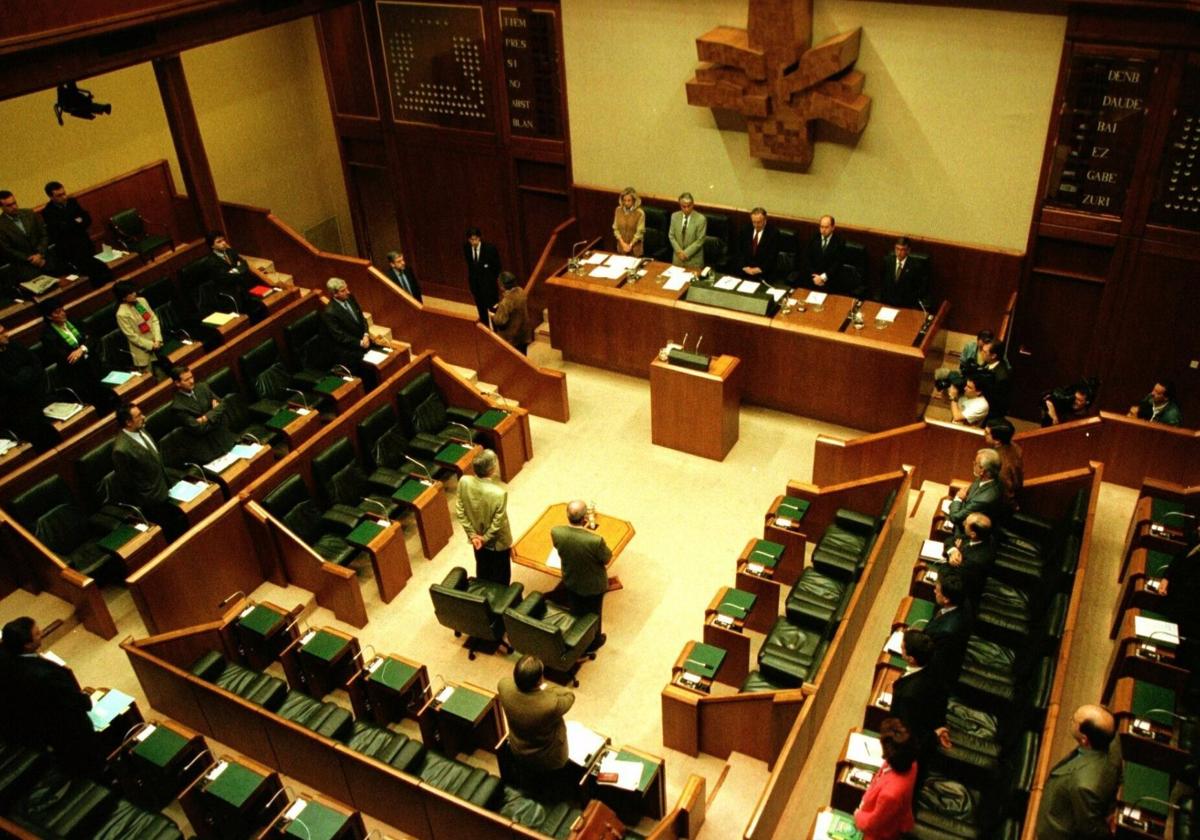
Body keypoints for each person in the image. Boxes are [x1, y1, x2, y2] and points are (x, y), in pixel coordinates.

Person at [0, 617, 99, 775]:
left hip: (31, 721)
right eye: (38, 633)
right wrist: (86, 699)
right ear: (27, 645)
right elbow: (77, 702)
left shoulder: (5, 658)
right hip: (65, 729)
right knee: (88, 762)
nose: (42, 634)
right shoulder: (44, 675)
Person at [1034, 704, 1120, 840]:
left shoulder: (1082, 785)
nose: (1071, 720)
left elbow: (1091, 830)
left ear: (1085, 739)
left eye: (1074, 720)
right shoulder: (1108, 740)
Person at [112, 402, 186, 539]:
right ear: (128, 422)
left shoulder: (141, 429)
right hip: (151, 499)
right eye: (139, 416)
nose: (144, 417)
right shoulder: (121, 449)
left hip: (164, 486)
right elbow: (127, 482)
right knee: (171, 533)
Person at [497, 655, 575, 779]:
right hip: (549, 759)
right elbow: (569, 695)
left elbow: (509, 682)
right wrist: (546, 687)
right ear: (539, 680)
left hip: (518, 750)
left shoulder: (504, 687)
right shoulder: (550, 705)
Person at [551, 500, 612, 651]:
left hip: (571, 579)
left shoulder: (556, 532)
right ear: (585, 518)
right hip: (593, 585)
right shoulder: (595, 541)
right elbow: (606, 558)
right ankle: (594, 641)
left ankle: (575, 637)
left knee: (576, 610)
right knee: (594, 614)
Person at [40, 298, 113, 412]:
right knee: (98, 405)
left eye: (62, 310)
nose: (62, 313)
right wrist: (86, 346)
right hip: (78, 376)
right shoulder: (48, 335)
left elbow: (93, 337)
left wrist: (82, 349)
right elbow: (68, 358)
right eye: (57, 312)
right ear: (49, 317)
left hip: (95, 366)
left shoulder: (73, 321)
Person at [454, 449, 513, 585]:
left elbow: (460, 512)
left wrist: (473, 536)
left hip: (476, 541)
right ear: (492, 469)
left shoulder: (464, 481)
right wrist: (485, 538)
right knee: (502, 578)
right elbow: (498, 523)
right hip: (497, 544)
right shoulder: (499, 493)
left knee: (483, 570)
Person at [853, 718, 918, 840]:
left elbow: (873, 824)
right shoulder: (911, 763)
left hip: (880, 834)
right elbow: (881, 774)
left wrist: (858, 816)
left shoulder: (891, 794)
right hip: (891, 815)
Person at [40, 181, 111, 285]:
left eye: (64, 193)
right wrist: (76, 222)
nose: (64, 197)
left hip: (85, 244)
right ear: (51, 197)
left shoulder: (72, 202)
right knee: (94, 274)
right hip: (71, 251)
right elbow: (61, 231)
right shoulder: (48, 212)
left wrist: (72, 224)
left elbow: (87, 219)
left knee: (103, 269)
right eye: (59, 195)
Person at [170, 366, 237, 463]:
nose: (192, 381)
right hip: (208, 450)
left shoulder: (202, 387)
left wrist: (205, 418)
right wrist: (215, 413)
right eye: (186, 380)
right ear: (177, 383)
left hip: (225, 438)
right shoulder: (178, 406)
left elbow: (222, 405)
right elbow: (198, 429)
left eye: (191, 377)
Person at [0, 324, 50, 448]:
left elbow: (36, 364)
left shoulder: (14, 345)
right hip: (15, 410)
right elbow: (12, 384)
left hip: (36, 397)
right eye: (1, 333)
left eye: (5, 330)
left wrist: (23, 374)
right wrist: (27, 371)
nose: (7, 334)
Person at [321, 277, 382, 373]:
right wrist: (360, 343)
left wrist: (366, 334)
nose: (348, 292)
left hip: (365, 340)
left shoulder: (350, 298)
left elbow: (361, 318)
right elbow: (340, 336)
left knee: (385, 357)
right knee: (372, 369)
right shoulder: (330, 312)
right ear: (334, 294)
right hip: (352, 350)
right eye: (343, 291)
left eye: (347, 288)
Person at [925, 569, 973, 687]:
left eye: (938, 591)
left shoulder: (946, 631)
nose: (934, 590)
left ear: (946, 599)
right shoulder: (960, 600)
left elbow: (933, 660)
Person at [201, 231, 264, 321]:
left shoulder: (230, 251)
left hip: (242, 287)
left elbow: (244, 264)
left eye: (223, 240)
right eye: (219, 242)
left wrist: (234, 271)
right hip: (229, 293)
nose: (223, 243)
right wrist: (238, 270)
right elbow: (224, 278)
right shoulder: (211, 262)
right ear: (212, 246)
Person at [947, 448, 1003, 536]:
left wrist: (958, 498)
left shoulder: (984, 499)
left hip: (968, 532)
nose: (973, 464)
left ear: (983, 471)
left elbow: (955, 518)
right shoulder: (988, 478)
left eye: (976, 463)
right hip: (966, 511)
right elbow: (970, 495)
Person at [113, 280, 166, 373]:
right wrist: (151, 345)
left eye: (133, 291)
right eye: (130, 293)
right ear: (123, 298)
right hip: (143, 352)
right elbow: (132, 336)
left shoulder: (141, 302)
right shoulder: (121, 314)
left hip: (157, 344)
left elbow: (153, 319)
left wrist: (157, 339)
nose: (134, 294)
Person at [944, 512, 995, 605]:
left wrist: (951, 559)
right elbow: (950, 540)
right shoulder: (980, 536)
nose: (963, 523)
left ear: (973, 534)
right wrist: (954, 550)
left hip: (962, 592)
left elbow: (952, 579)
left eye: (966, 523)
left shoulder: (974, 561)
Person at [878, 236, 930, 310]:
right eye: (897, 249)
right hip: (888, 302)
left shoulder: (915, 266)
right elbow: (882, 281)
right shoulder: (887, 261)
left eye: (902, 250)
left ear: (908, 250)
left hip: (906, 304)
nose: (899, 252)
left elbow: (919, 289)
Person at [464, 227, 502, 324]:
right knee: (481, 310)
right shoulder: (466, 248)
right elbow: (470, 266)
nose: (474, 242)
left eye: (476, 239)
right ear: (468, 240)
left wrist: (491, 280)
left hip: (489, 286)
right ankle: (485, 328)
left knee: (493, 311)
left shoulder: (490, 249)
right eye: (471, 240)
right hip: (476, 286)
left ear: (479, 238)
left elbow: (497, 267)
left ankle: (496, 332)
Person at [801, 214, 846, 292]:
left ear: (833, 227)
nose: (823, 230)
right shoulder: (813, 238)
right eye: (821, 227)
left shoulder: (840, 242)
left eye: (826, 227)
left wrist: (822, 277)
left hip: (830, 281)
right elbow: (806, 259)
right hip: (812, 279)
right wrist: (814, 277)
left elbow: (837, 264)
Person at [984, 421, 1022, 511]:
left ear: (997, 440)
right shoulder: (1014, 447)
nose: (984, 434)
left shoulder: (1000, 465)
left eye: (987, 433)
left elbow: (1006, 493)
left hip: (999, 507)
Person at [734, 207, 780, 283]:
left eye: (759, 222)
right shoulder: (745, 229)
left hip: (763, 273)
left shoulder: (773, 233)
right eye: (754, 222)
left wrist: (759, 269)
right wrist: (744, 267)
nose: (756, 225)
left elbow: (772, 256)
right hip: (745, 271)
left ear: (765, 220)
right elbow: (739, 250)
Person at [492, 271, 531, 355]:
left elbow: (500, 321)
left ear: (502, 286)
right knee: (523, 357)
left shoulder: (506, 301)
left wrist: (494, 315)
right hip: (523, 333)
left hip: (511, 337)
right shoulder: (521, 291)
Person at [668, 192, 706, 269]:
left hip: (693, 261)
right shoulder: (674, 216)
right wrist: (679, 251)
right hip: (677, 260)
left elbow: (700, 240)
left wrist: (685, 254)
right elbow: (671, 235)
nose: (686, 209)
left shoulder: (701, 219)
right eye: (683, 206)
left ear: (693, 204)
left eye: (689, 206)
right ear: (680, 205)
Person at [611, 187, 645, 257]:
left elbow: (639, 232)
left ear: (634, 201)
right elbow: (615, 228)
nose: (626, 203)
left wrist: (630, 245)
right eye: (624, 200)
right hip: (621, 248)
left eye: (629, 200)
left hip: (635, 250)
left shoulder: (640, 213)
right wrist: (623, 244)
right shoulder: (618, 210)